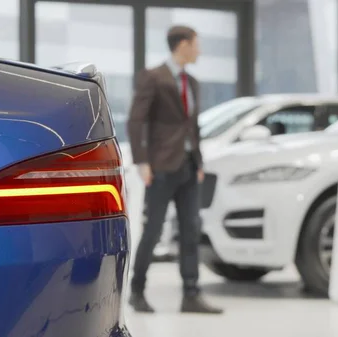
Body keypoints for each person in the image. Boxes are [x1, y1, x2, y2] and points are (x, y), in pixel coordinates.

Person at [127, 25, 223, 314]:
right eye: (197, 44)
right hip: (160, 167)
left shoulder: (192, 82)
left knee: (190, 230)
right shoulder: (153, 77)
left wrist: (200, 162)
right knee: (153, 231)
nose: (199, 50)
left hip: (189, 167)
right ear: (183, 44)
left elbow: (192, 126)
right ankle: (137, 290)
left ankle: (191, 294)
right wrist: (142, 162)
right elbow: (135, 121)